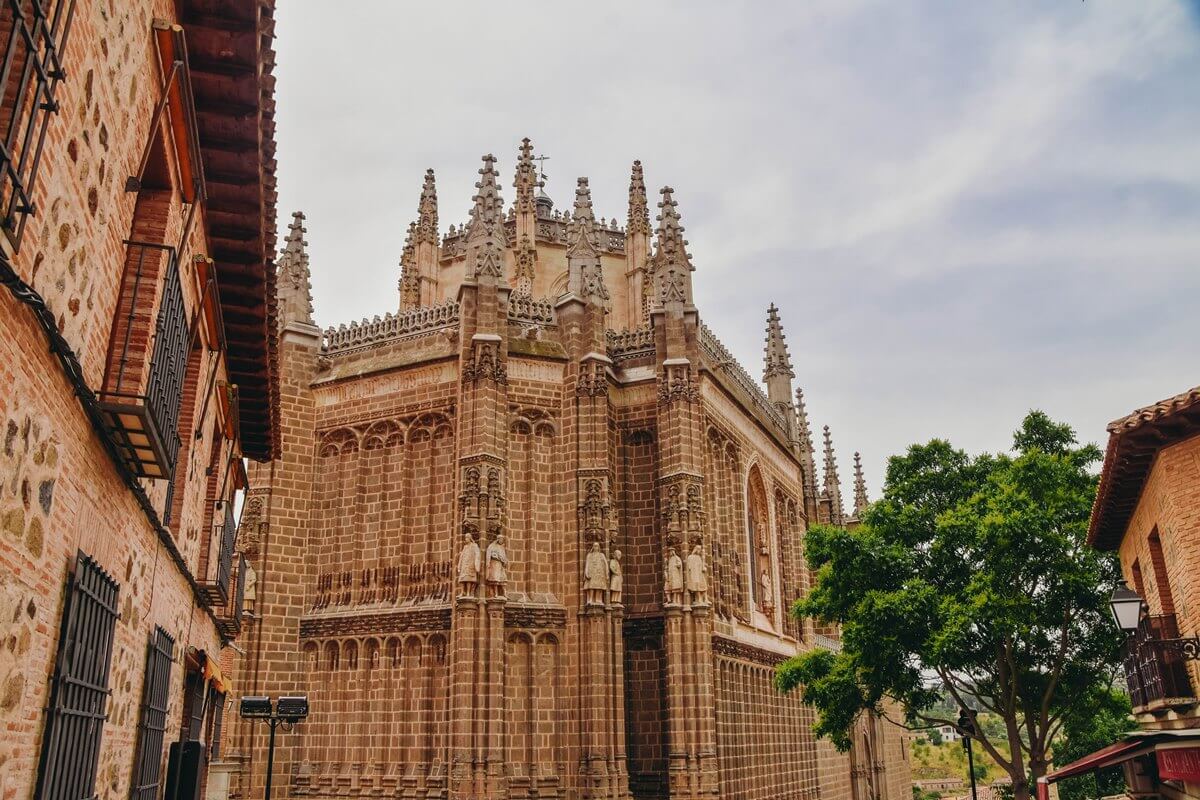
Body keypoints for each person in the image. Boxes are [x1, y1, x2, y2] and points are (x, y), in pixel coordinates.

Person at [583, 542, 609, 606]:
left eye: (597, 546)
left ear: (599, 547)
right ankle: (590, 599)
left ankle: (598, 600)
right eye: (594, 546)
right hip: (592, 572)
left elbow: (605, 564)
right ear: (593, 547)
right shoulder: (589, 555)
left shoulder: (601, 555)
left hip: (599, 573)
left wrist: (606, 573)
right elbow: (587, 564)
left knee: (598, 587)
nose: (596, 547)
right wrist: (586, 572)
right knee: (591, 586)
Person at [456, 532, 482, 597]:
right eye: (465, 538)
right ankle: (462, 592)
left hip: (471, 564)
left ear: (470, 538)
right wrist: (459, 566)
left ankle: (468, 593)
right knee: (462, 579)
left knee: (468, 579)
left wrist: (476, 565)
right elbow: (461, 557)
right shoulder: (465, 547)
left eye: (467, 537)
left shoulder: (474, 545)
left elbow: (477, 555)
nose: (466, 539)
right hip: (464, 565)